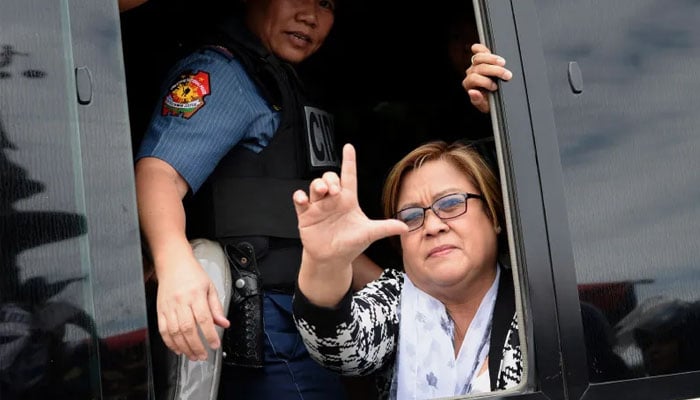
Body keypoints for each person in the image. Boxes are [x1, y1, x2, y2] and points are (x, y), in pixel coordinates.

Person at [134, 0, 357, 398]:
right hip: (261, 320)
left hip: (312, 315)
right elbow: (157, 173)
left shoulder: (288, 84)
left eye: (326, 3)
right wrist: (175, 263)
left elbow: (325, 230)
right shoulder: (224, 73)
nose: (311, 15)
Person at [292, 141, 522, 399]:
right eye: (412, 216)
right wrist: (326, 262)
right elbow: (338, 348)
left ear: (494, 215)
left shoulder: (539, 302)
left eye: (451, 204)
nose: (433, 226)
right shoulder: (396, 297)